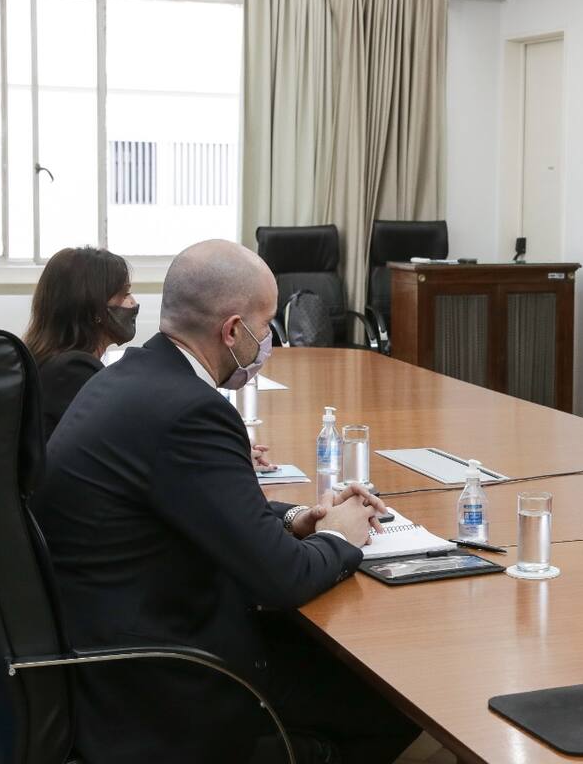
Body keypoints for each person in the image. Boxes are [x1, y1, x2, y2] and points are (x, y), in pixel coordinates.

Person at [31, 240, 420, 763]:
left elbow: (204, 508)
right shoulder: (190, 411)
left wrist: (299, 519)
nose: (269, 339)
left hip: (108, 652)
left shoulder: (131, 376)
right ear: (233, 331)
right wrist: (339, 535)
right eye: (266, 325)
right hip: (165, 685)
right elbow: (282, 580)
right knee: (397, 700)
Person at [23, 247, 139, 439]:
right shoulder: (73, 371)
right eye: (124, 294)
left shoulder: (46, 359)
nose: (133, 303)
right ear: (94, 307)